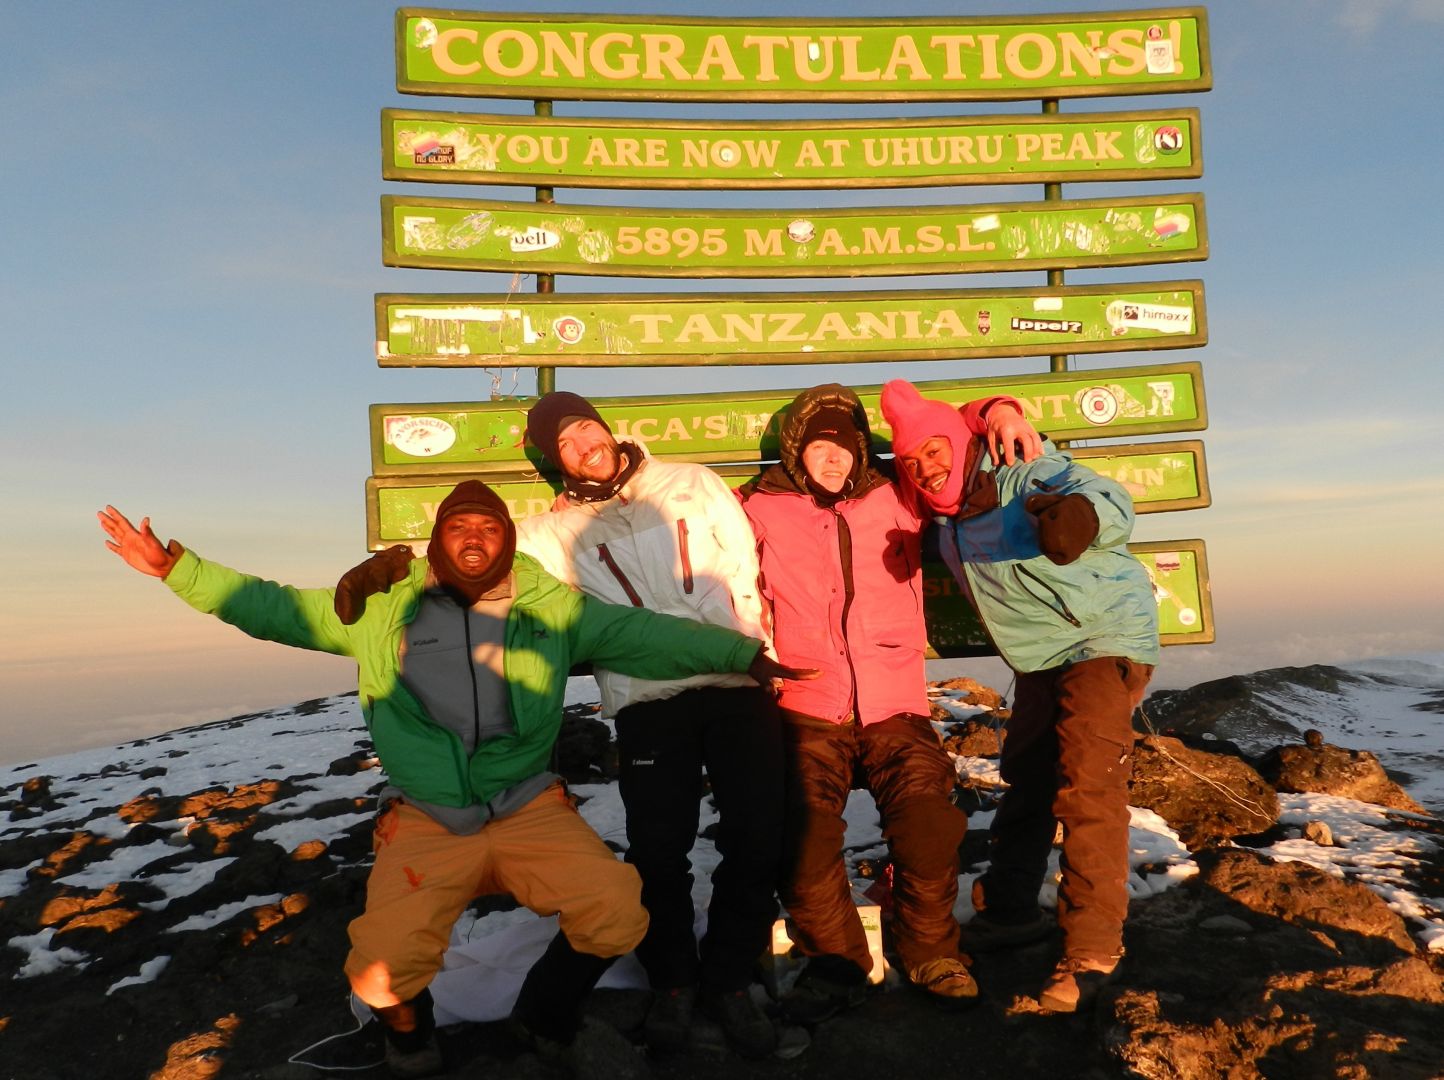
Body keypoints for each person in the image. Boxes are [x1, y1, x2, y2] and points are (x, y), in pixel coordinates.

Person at [98, 480, 810, 1079]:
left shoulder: (550, 608)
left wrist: (740, 652)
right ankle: (412, 1044)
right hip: (428, 816)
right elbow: (271, 606)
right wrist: (174, 568)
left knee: (617, 909)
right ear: (440, 538)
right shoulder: (378, 607)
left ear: (507, 537)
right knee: (380, 970)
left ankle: (544, 1015)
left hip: (527, 804)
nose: (475, 536)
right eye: (459, 525)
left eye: (489, 525)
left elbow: (645, 635)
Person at [739, 383, 1041, 1021]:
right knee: (802, 835)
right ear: (798, 449)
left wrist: (1000, 411)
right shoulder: (757, 506)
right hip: (804, 704)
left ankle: (930, 950)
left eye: (847, 448)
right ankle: (837, 963)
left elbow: (944, 433)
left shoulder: (897, 493)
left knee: (930, 826)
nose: (835, 459)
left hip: (894, 703)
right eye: (822, 446)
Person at [511, 390, 790, 1058]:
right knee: (658, 854)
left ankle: (726, 980)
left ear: (607, 429)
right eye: (567, 447)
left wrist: (753, 643)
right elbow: (489, 556)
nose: (583, 447)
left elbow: (743, 563)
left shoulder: (690, 481)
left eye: (586, 431)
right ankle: (672, 981)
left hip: (734, 683)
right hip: (646, 702)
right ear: (558, 463)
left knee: (757, 840)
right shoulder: (554, 532)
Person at [880, 378, 1159, 1014]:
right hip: (1042, 658)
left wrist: (1079, 518)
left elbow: (1102, 493)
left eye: (936, 448)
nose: (927, 465)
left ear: (959, 441)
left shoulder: (1019, 468)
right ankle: (1010, 912)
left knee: (1088, 787)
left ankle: (1093, 949)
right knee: (1028, 774)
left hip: (1103, 640)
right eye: (913, 459)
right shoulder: (945, 512)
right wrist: (987, 407)